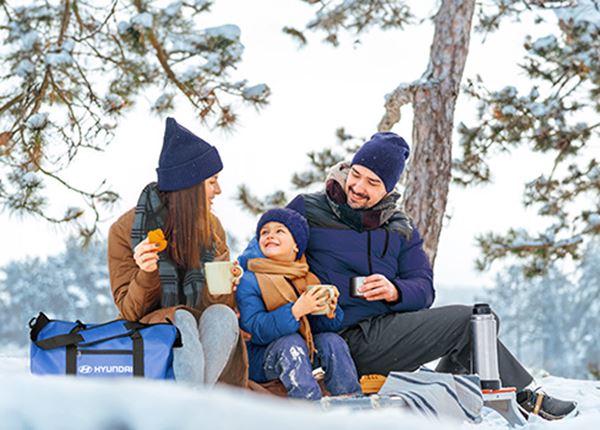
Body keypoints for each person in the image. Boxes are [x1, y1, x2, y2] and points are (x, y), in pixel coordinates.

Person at [285, 131, 577, 420]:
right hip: (335, 338)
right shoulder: (308, 209)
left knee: (481, 325)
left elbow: (424, 289)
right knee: (470, 326)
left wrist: (395, 291)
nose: (359, 186)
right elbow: (263, 251)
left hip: (383, 332)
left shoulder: (401, 228)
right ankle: (524, 395)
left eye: (373, 182)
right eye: (356, 174)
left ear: (388, 188)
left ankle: (448, 389)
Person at [107, 117, 247, 388]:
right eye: (212, 182)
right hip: (150, 337)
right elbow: (129, 312)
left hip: (201, 342)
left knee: (222, 316)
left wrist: (223, 281)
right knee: (180, 317)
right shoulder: (126, 230)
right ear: (190, 186)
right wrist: (147, 274)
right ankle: (191, 406)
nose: (219, 190)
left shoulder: (212, 227)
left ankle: (195, 403)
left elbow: (218, 306)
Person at [236, 208, 361, 400]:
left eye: (279, 231)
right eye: (264, 232)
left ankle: (350, 398)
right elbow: (254, 328)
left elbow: (317, 327)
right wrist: (295, 311)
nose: (270, 235)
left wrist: (329, 311)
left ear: (296, 245)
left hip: (303, 353)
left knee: (331, 341)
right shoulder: (250, 279)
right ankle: (307, 403)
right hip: (261, 358)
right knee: (290, 343)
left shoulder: (307, 277)